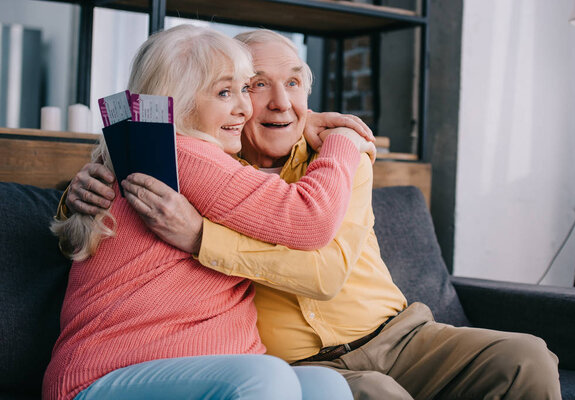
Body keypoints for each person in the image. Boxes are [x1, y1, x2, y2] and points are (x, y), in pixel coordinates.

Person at [63, 29, 562, 399]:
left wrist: (201, 238)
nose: (279, 103)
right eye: (251, 86)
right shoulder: (204, 157)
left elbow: (324, 272)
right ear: (196, 98)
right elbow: (130, 201)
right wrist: (81, 189)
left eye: (295, 84)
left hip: (400, 334)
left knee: (527, 357)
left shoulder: (337, 164)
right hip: (296, 359)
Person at [44, 24, 377, 400]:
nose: (245, 107)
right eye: (225, 92)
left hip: (187, 373)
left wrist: (305, 121)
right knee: (266, 379)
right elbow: (311, 219)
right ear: (179, 101)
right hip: (104, 379)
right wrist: (344, 141)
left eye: (243, 89)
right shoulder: (186, 154)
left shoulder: (171, 154)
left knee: (326, 386)